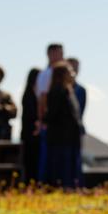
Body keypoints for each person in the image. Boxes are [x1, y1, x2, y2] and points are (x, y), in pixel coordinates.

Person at [43, 61, 83, 189]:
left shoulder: (68, 91)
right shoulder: (57, 92)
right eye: (69, 72)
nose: (72, 74)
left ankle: (70, 187)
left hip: (70, 137)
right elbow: (52, 115)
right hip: (61, 138)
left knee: (70, 167)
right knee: (61, 168)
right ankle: (62, 188)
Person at [35, 43, 66, 182]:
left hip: (61, 123)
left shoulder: (62, 74)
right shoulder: (46, 74)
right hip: (50, 123)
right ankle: (46, 184)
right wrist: (43, 121)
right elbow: (42, 100)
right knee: (48, 157)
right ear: (49, 54)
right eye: (57, 53)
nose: (60, 57)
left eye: (61, 53)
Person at [67, 57, 88, 187]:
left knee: (77, 159)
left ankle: (77, 184)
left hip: (77, 130)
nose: (75, 70)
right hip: (63, 131)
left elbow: (81, 111)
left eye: (77, 67)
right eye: (72, 67)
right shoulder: (60, 89)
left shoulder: (81, 89)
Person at [19, 68, 40, 184]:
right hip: (30, 134)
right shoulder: (29, 94)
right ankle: (29, 182)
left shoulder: (37, 93)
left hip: (33, 134)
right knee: (29, 161)